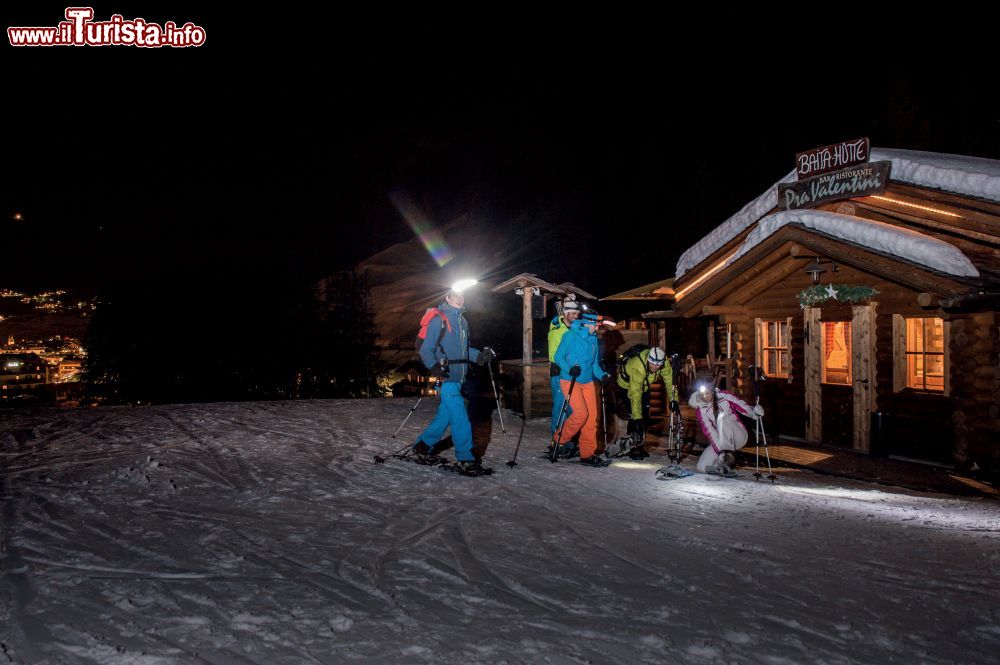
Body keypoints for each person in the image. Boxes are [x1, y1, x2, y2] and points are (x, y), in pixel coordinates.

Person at [413, 287, 495, 474]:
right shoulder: (438, 320)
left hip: (460, 377)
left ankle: (423, 446)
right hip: (446, 377)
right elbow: (426, 350)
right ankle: (465, 458)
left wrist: (479, 356)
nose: (460, 298)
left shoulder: (462, 321)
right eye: (455, 295)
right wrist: (434, 367)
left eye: (462, 295)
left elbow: (465, 349)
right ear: (447, 297)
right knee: (460, 418)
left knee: (445, 416)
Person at [553, 311, 611, 466]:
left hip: (587, 383)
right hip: (570, 380)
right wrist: (569, 368)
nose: (597, 328)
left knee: (591, 419)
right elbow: (558, 357)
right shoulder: (571, 335)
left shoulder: (593, 340)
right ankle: (560, 439)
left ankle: (587, 454)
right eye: (596, 325)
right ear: (587, 323)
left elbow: (594, 364)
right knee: (580, 414)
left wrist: (602, 375)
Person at [689, 382, 764, 474]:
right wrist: (720, 451)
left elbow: (741, 405)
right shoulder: (700, 409)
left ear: (712, 392)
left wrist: (753, 413)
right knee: (702, 467)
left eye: (707, 393)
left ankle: (729, 461)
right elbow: (710, 431)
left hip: (738, 435)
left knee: (722, 417)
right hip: (722, 441)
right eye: (702, 394)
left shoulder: (724, 396)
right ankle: (721, 467)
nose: (705, 397)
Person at [615, 347, 679, 451]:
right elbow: (635, 395)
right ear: (648, 360)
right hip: (627, 386)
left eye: (658, 365)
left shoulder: (664, 363)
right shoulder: (639, 366)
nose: (655, 367)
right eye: (653, 363)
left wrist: (674, 400)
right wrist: (637, 419)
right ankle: (633, 448)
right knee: (635, 415)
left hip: (644, 386)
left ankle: (640, 445)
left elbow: (669, 381)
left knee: (645, 415)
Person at [547, 299, 580, 438]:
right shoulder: (557, 330)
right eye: (573, 313)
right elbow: (554, 355)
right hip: (559, 372)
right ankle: (557, 439)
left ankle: (567, 439)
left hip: (570, 372)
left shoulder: (573, 328)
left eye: (577, 313)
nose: (576, 316)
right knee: (560, 407)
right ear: (566, 313)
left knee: (572, 408)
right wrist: (569, 367)